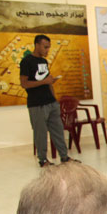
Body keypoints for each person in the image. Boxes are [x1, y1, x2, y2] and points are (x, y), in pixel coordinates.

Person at [19, 34, 78, 168]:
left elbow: (48, 81)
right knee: (40, 133)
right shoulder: (26, 62)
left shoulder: (44, 62)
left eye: (49, 47)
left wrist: (54, 98)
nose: (47, 50)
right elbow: (24, 83)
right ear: (37, 45)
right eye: (45, 47)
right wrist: (44, 81)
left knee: (58, 131)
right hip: (37, 104)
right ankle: (43, 160)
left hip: (51, 103)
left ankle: (64, 156)